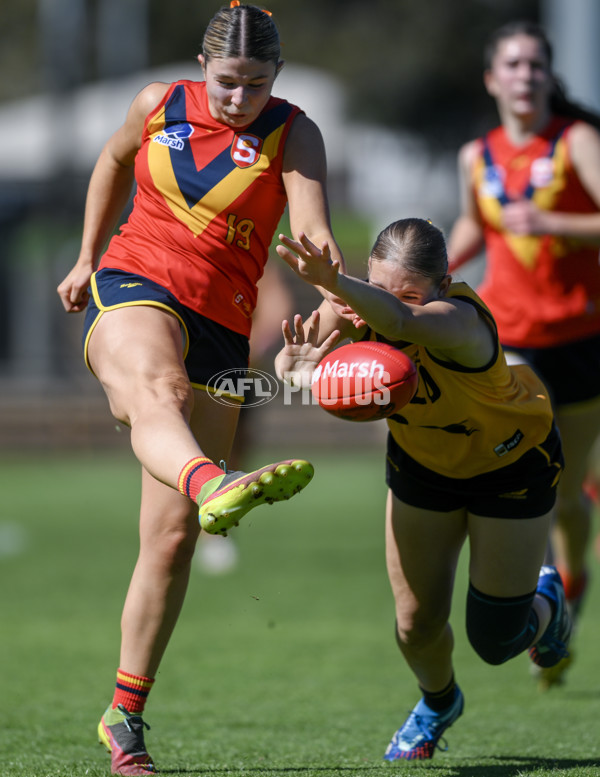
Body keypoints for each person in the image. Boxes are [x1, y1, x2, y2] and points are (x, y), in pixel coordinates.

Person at [56, 3, 345, 774]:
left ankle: (124, 715)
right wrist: (87, 255)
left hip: (225, 325)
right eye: (225, 82)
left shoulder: (295, 132)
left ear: (274, 77)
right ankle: (215, 478)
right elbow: (113, 163)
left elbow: (313, 233)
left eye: (255, 83)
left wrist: (329, 291)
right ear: (200, 68)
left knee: (175, 536)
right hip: (132, 285)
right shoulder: (158, 106)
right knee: (158, 391)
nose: (237, 98)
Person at [274, 217, 570, 761]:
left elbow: (401, 319)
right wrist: (300, 373)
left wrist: (341, 286)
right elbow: (293, 361)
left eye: (411, 290)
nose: (389, 299)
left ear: (442, 283)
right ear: (368, 275)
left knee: (498, 641)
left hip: (509, 465)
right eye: (380, 285)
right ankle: (437, 702)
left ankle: (548, 601)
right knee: (414, 624)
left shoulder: (458, 319)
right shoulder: (353, 306)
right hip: (423, 466)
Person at [447, 21, 600, 689]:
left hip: (581, 338)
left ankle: (569, 582)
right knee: (527, 474)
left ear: (547, 75)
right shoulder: (474, 155)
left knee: (568, 495)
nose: (525, 75)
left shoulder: (577, 141)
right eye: (512, 64)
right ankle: (539, 596)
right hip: (510, 339)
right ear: (492, 78)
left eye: (536, 65)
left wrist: (557, 224)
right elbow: (471, 227)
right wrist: (418, 276)